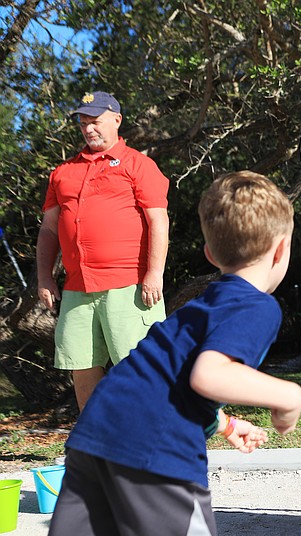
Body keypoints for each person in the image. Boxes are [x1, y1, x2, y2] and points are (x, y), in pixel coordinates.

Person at [38, 171, 301, 536]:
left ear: (210, 255)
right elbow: (208, 375)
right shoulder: (256, 305)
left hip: (96, 432)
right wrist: (289, 394)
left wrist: (226, 425)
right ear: (281, 250)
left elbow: (167, 383)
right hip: (154, 455)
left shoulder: (202, 305)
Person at [36, 91, 170, 410]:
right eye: (83, 123)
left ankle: (150, 443)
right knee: (82, 366)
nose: (88, 129)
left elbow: (158, 222)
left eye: (95, 121)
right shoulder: (63, 172)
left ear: (116, 120)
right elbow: (49, 229)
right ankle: (95, 446)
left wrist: (154, 274)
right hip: (77, 288)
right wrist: (44, 277)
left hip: (130, 286)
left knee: (141, 367)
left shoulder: (139, 165)